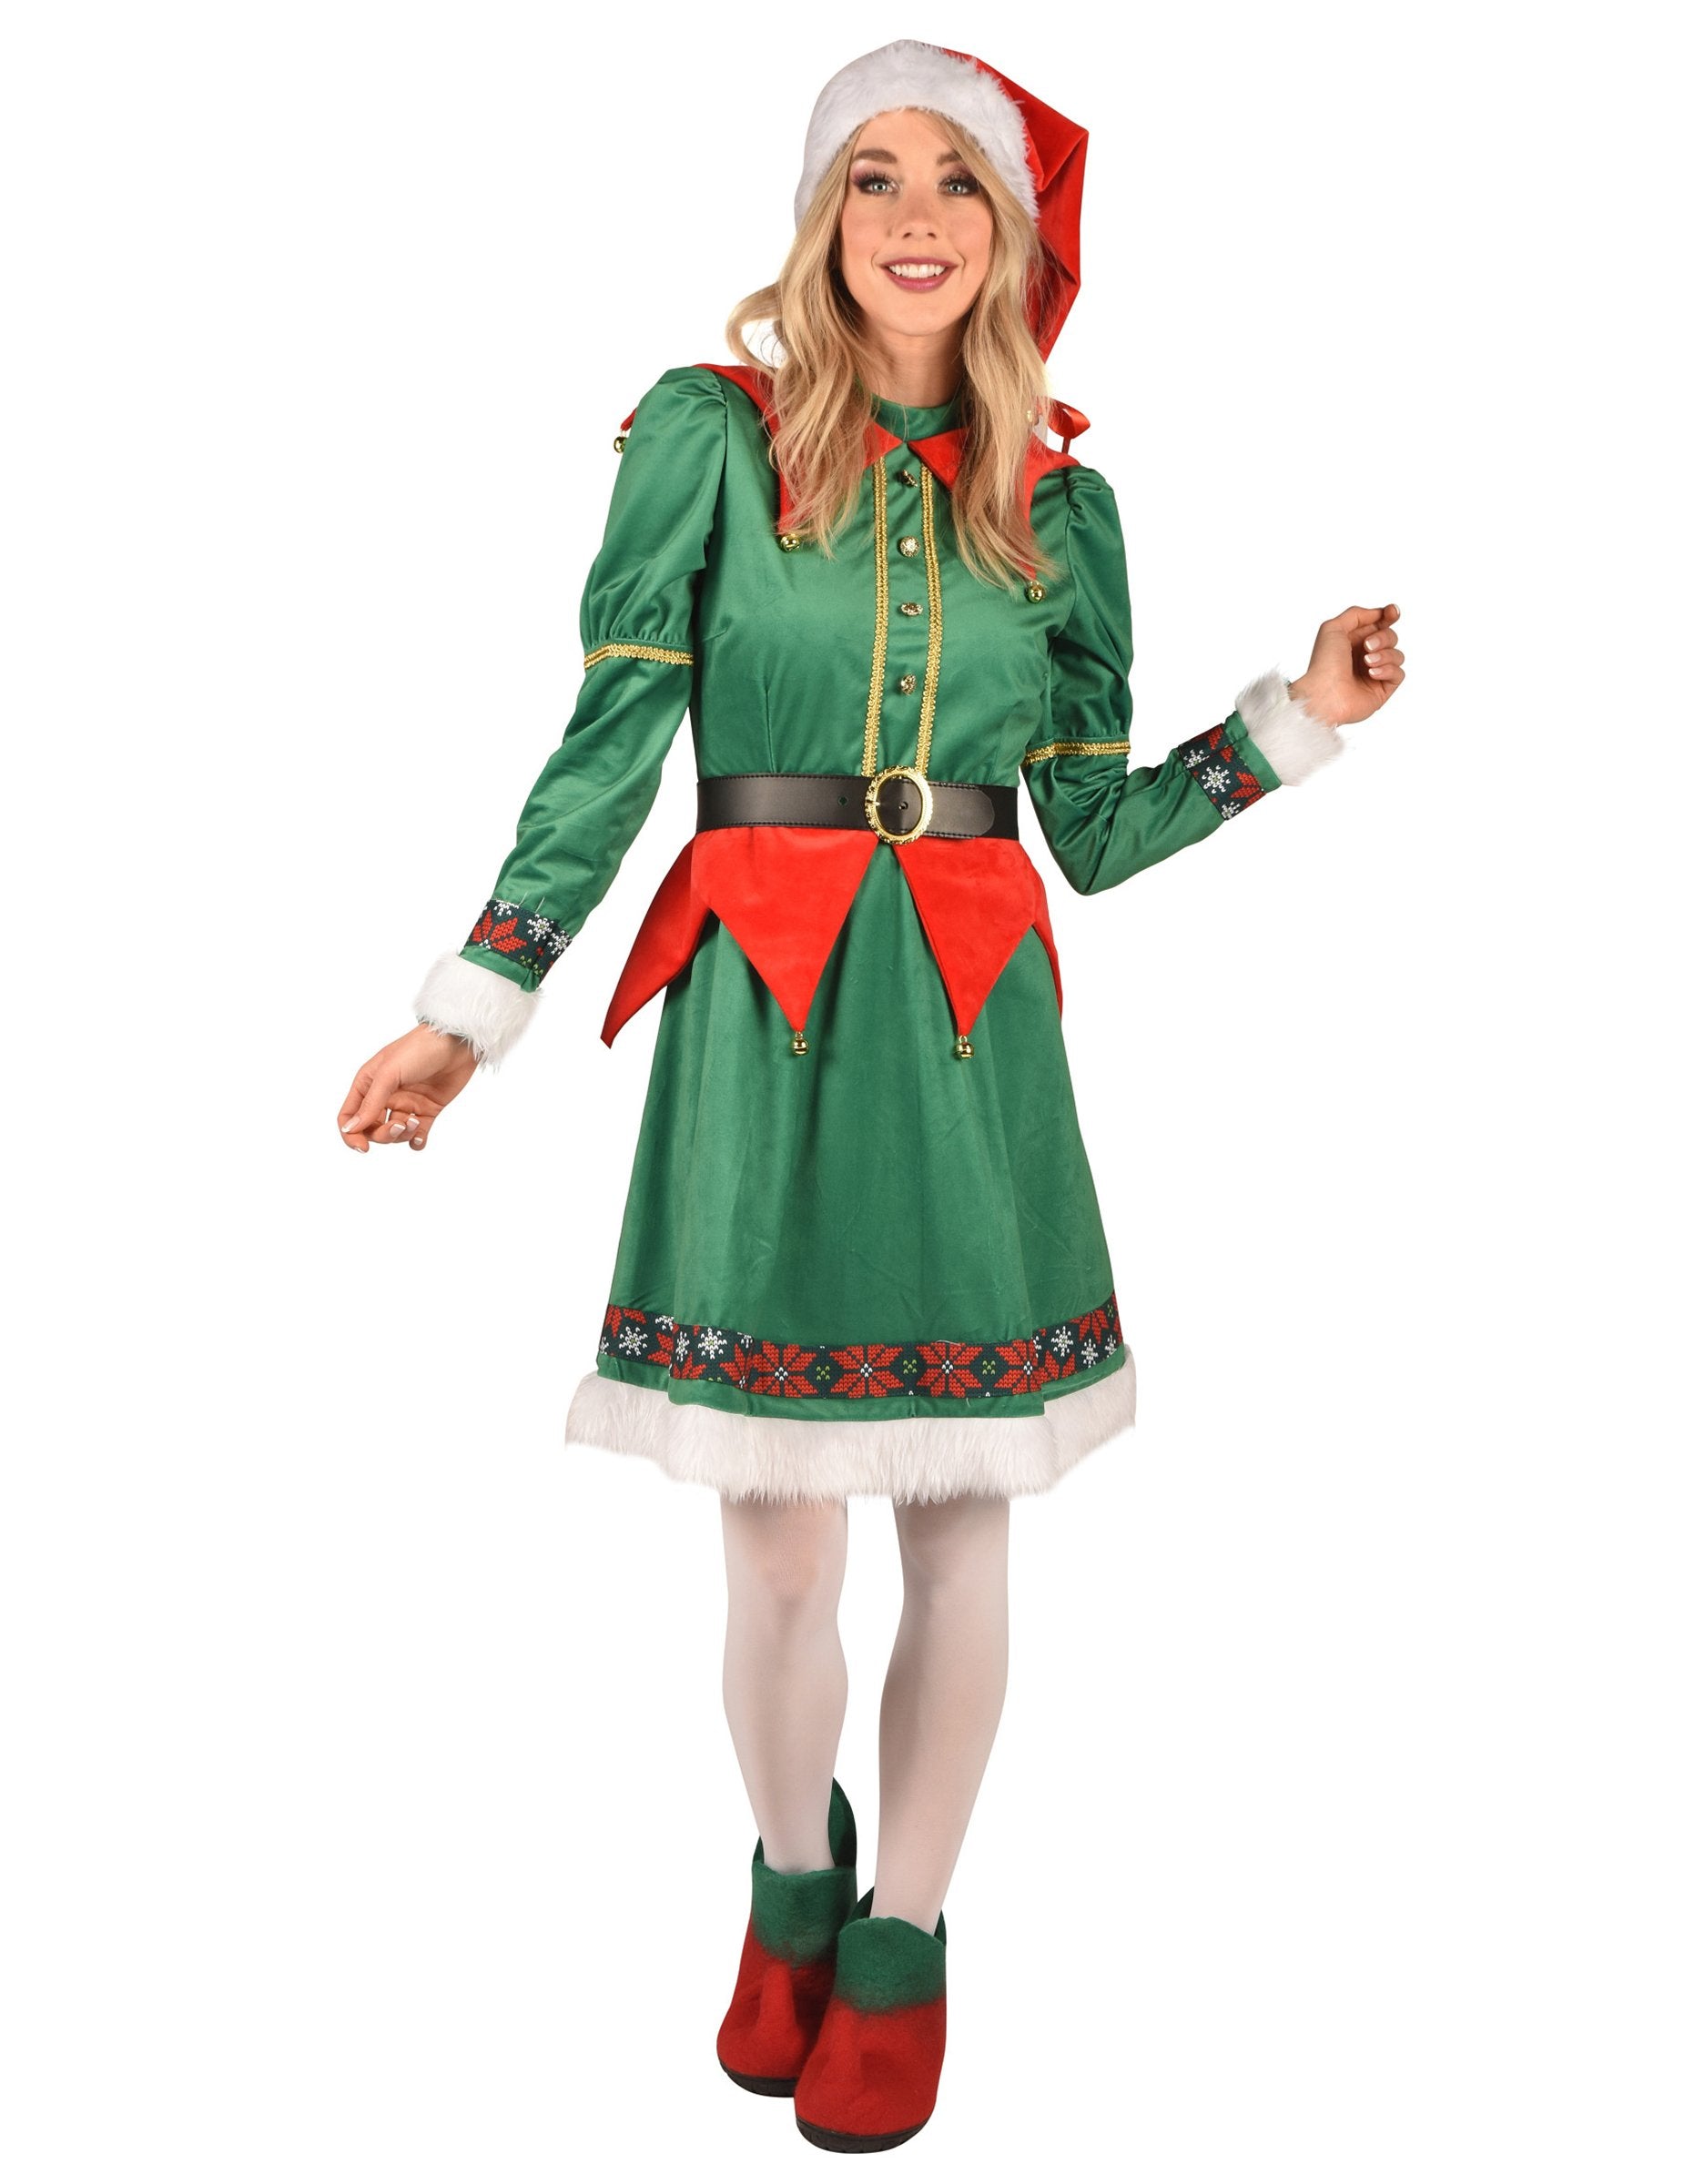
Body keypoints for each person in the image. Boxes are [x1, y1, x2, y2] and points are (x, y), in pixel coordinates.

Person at [337, 39, 1403, 2154]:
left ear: (1011, 237)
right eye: (873, 179)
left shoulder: (1065, 507)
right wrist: (476, 1001)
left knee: (959, 1514)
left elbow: (1089, 829)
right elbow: (610, 745)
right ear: (822, 220)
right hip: (764, 998)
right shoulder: (710, 439)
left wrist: (1294, 719)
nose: (914, 219)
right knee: (775, 1556)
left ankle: (905, 1933)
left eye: (957, 184)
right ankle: (789, 1874)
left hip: (970, 1026)